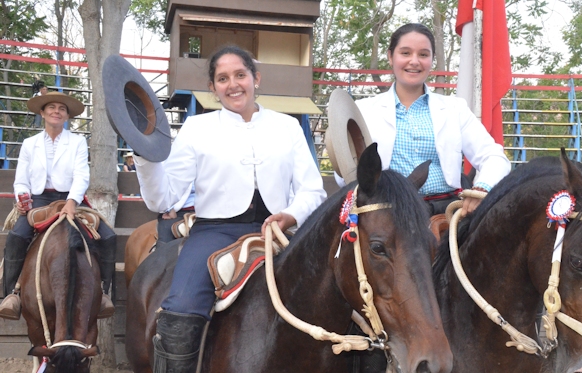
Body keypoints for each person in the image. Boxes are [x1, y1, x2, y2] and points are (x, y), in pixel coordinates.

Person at [132, 45, 326, 373]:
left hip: (277, 231)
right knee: (181, 308)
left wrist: (290, 215)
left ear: (256, 78)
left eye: (240, 75)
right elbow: (164, 199)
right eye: (223, 78)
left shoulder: (287, 127)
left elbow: (313, 190)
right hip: (213, 233)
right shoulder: (196, 128)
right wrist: (144, 155)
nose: (233, 84)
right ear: (212, 88)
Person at [345, 23, 511, 216]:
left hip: (445, 213)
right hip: (387, 215)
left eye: (423, 55)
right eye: (405, 53)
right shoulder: (364, 110)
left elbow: (494, 157)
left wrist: (482, 188)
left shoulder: (455, 109)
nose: (414, 61)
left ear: (432, 59)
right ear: (391, 56)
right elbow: (347, 171)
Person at [0, 91, 117, 320]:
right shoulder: (29, 144)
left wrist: (72, 201)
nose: (56, 111)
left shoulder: (77, 142)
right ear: (42, 113)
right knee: (17, 236)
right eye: (51, 107)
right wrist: (23, 199)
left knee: (109, 237)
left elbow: (82, 175)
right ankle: (11, 294)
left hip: (72, 197)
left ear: (66, 116)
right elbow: (21, 180)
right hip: (39, 199)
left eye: (61, 109)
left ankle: (103, 292)